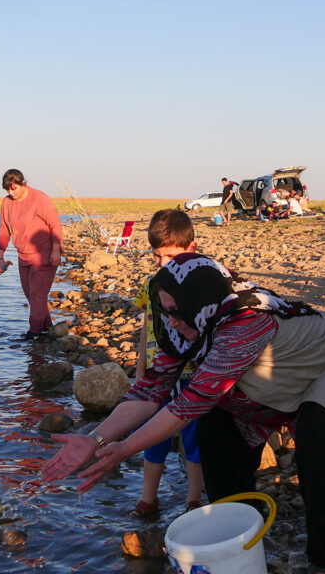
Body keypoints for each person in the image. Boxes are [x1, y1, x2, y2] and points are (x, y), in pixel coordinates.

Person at [42, 253, 325, 574]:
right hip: (263, 377)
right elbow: (151, 389)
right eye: (166, 310)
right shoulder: (186, 319)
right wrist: (95, 438)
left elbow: (188, 404)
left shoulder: (245, 322)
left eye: (176, 311)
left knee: (315, 447)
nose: (170, 321)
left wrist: (125, 449)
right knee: (216, 434)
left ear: (200, 303)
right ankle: (240, 539)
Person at [128, 209, 204, 518]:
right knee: (152, 433)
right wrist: (141, 366)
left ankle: (194, 498)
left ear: (191, 248)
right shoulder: (151, 285)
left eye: (171, 255)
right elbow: (147, 324)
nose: (163, 263)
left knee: (194, 436)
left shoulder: (200, 284)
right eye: (157, 256)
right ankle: (149, 497)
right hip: (159, 374)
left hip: (192, 375)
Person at [0, 169, 64, 340]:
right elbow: (4, 231)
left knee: (37, 295)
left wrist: (56, 251)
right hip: (23, 255)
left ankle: (33, 333)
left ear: (23, 183)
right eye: (8, 190)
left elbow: (56, 225)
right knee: (32, 297)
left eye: (14, 189)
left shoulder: (39, 198)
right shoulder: (7, 203)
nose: (11, 193)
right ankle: (47, 329)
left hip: (44, 254)